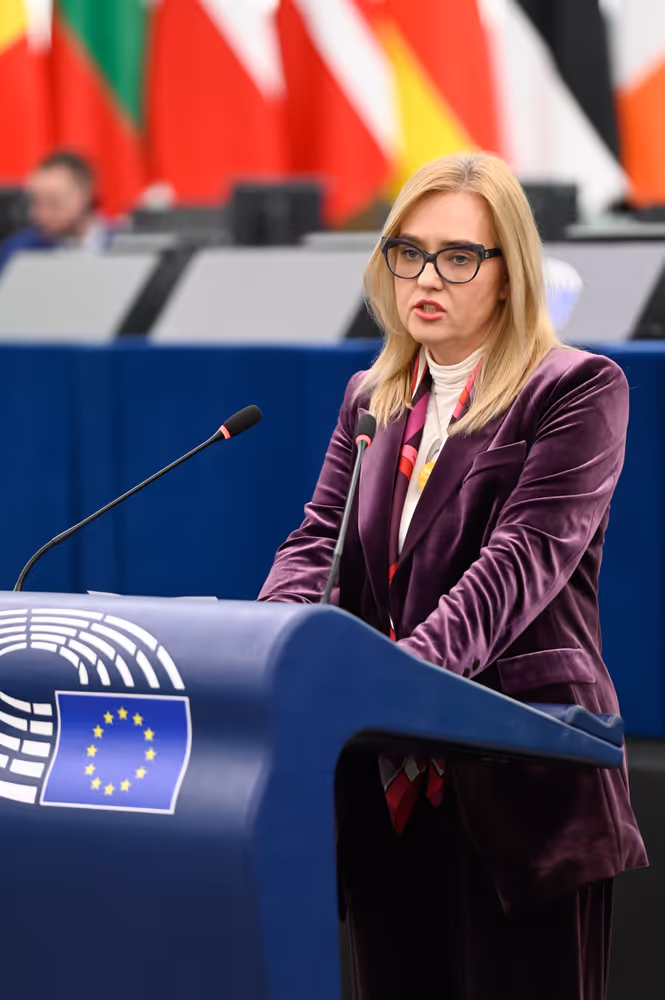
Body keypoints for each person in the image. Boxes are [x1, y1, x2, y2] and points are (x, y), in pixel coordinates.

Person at [258, 151, 647, 1000]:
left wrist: (383, 684)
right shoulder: (371, 396)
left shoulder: (575, 390)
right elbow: (315, 545)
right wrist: (271, 643)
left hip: (519, 787)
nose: (425, 277)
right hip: (388, 795)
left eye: (458, 256)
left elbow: (516, 568)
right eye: (408, 251)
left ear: (509, 275)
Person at [0, 150, 110, 276]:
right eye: (36, 203)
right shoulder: (18, 251)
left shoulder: (125, 247)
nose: (42, 214)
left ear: (86, 195)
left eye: (54, 203)